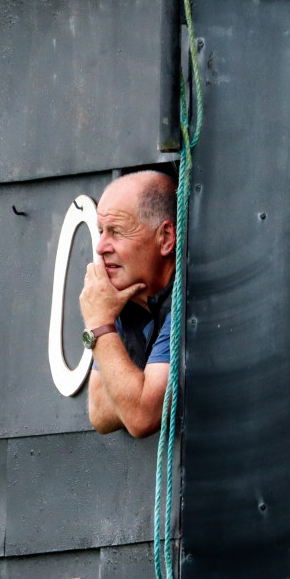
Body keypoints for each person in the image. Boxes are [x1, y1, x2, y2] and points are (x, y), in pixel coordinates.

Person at [78, 170, 176, 438]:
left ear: (166, 238)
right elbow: (99, 413)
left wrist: (98, 325)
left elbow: (141, 417)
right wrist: (138, 388)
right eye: (101, 231)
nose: (100, 247)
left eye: (116, 232)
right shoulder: (122, 300)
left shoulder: (187, 302)